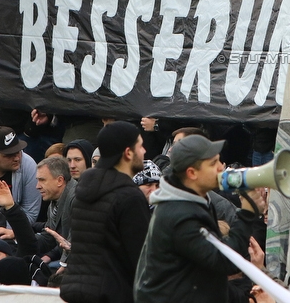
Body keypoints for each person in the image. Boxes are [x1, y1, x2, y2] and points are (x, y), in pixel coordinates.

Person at [134, 134, 265, 302]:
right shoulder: (180, 216)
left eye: (219, 161)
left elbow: (209, 277)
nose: (221, 168)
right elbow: (224, 262)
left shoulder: (192, 203)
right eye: (213, 163)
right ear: (192, 173)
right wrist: (247, 214)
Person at [60, 121, 150, 302]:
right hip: (114, 294)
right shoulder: (129, 197)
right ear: (128, 153)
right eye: (140, 146)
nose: (144, 151)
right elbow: (142, 260)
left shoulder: (84, 191)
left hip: (80, 291)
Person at [33, 156, 76, 259]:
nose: (37, 186)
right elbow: (48, 238)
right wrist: (17, 238)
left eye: (42, 180)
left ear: (60, 181)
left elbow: (76, 243)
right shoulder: (53, 202)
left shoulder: (77, 199)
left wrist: (62, 265)